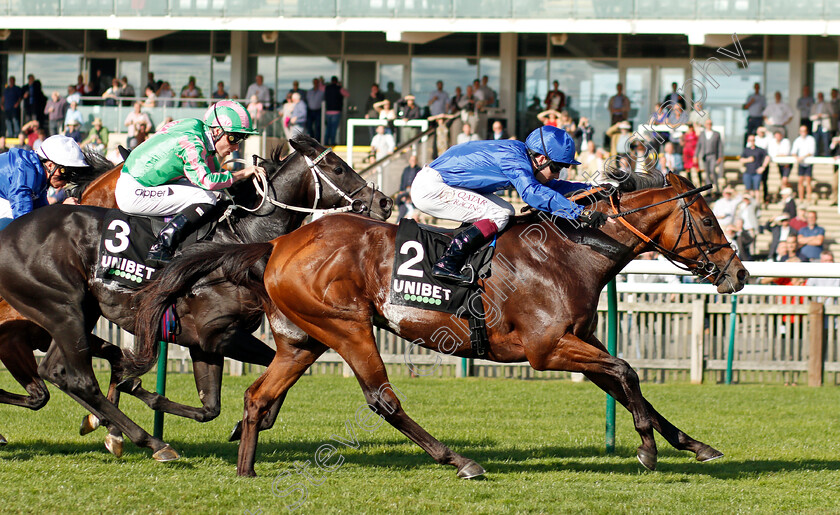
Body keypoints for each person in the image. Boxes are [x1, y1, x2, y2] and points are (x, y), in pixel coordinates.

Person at [411, 125, 612, 284]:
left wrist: (593, 189)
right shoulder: (514, 159)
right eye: (557, 167)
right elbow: (532, 194)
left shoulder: (523, 156)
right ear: (541, 158)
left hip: (440, 182)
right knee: (499, 214)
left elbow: (553, 186)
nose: (558, 173)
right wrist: (578, 213)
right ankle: (447, 263)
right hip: (431, 188)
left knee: (506, 210)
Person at [115, 100, 263, 262]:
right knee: (207, 197)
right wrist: (241, 174)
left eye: (240, 140)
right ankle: (164, 244)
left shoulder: (196, 126)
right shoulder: (193, 144)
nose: (236, 147)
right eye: (234, 138)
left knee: (214, 194)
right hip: (134, 191)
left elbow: (213, 170)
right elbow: (207, 180)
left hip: (139, 178)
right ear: (217, 131)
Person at [0, 135, 87, 230]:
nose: (66, 182)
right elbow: (23, 221)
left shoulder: (40, 177)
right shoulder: (24, 171)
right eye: (65, 172)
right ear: (50, 165)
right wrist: (62, 210)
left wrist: (60, 209)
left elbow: (41, 213)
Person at [696, 119, 724, 194]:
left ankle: (716, 187)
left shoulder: (716, 134)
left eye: (710, 124)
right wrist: (696, 155)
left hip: (713, 155)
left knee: (712, 170)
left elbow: (720, 146)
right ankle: (709, 189)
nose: (709, 125)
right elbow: (699, 145)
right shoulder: (702, 134)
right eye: (707, 124)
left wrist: (720, 156)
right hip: (705, 156)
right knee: (707, 172)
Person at [739, 134, 769, 200]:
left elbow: (767, 157)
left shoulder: (759, 150)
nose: (752, 142)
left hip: (756, 172)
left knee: (756, 189)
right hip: (748, 171)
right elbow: (741, 159)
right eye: (750, 140)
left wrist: (763, 167)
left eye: (753, 140)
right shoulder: (746, 150)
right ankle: (751, 202)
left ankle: (757, 203)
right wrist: (748, 160)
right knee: (748, 189)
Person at [791, 125, 816, 202]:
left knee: (808, 180)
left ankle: (809, 198)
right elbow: (793, 151)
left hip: (808, 162)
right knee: (800, 180)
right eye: (801, 131)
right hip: (801, 163)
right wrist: (797, 157)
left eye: (804, 131)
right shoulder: (797, 140)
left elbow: (811, 152)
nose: (803, 133)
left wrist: (801, 157)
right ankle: (801, 198)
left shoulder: (811, 139)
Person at [323, 76, 349, 147]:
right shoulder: (339, 88)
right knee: (334, 128)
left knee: (328, 128)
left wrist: (322, 82)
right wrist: (341, 86)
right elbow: (347, 94)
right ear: (337, 81)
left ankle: (325, 142)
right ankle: (332, 142)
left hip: (328, 111)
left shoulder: (327, 88)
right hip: (336, 111)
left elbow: (320, 88)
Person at [396, 154, 421, 221]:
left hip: (414, 190)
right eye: (411, 160)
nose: (412, 161)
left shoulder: (419, 170)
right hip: (405, 189)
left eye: (414, 160)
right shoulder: (406, 170)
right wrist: (401, 190)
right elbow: (402, 180)